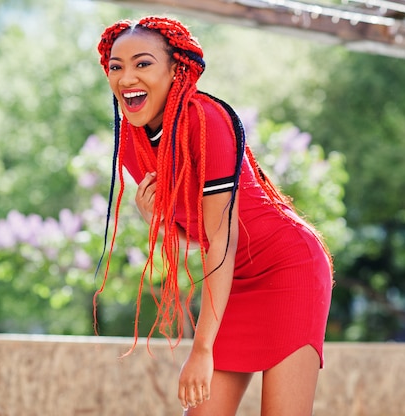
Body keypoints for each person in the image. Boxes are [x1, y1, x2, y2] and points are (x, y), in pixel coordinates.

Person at [93, 16, 334, 416]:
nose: (126, 77)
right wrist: (159, 219)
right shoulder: (132, 149)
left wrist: (202, 348)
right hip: (231, 280)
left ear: (176, 70)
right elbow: (198, 235)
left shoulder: (206, 121)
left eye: (143, 63)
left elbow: (222, 238)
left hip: (288, 267)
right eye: (116, 67)